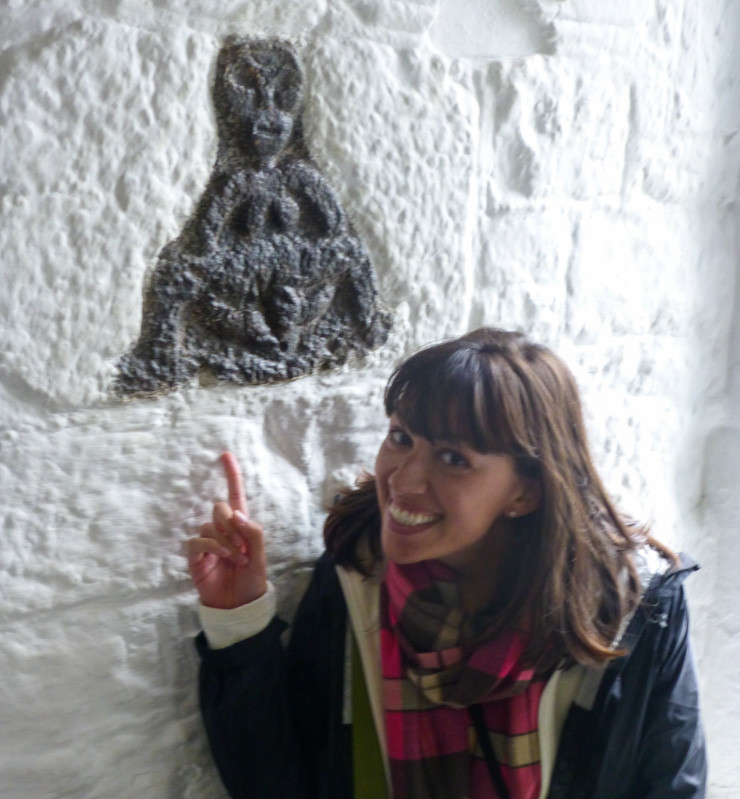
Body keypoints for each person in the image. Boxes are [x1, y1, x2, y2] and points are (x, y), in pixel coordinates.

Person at [187, 327, 707, 799]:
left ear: (524, 492)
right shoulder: (358, 577)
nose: (403, 481)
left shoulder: (632, 608)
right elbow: (281, 785)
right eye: (401, 438)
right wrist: (240, 622)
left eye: (455, 459)